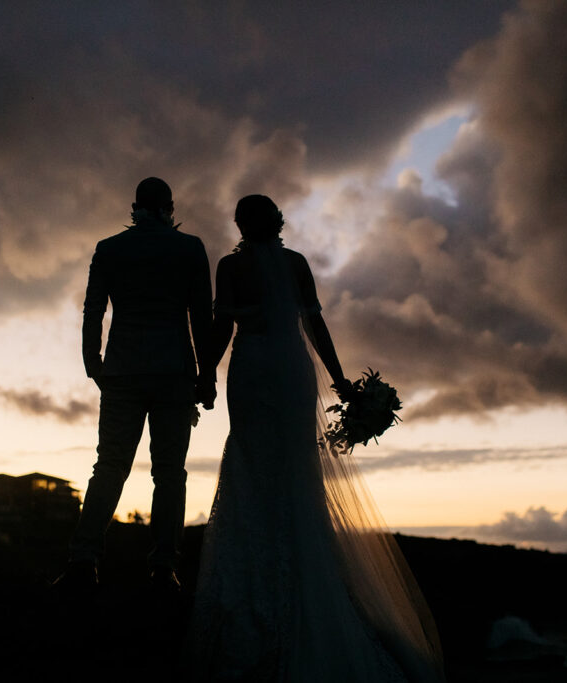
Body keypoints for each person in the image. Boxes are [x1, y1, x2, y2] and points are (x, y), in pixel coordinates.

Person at [186, 195, 443, 681]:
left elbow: (223, 326)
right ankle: (306, 581)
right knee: (298, 472)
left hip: (253, 368)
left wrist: (205, 374)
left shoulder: (230, 266)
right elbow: (314, 324)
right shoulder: (295, 263)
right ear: (278, 223)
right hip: (289, 368)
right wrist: (340, 379)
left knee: (251, 463)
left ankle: (255, 592)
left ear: (241, 225)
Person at [56, 177, 216, 592]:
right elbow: (201, 317)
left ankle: (83, 559)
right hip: (174, 373)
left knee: (108, 467)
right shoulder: (190, 248)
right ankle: (164, 567)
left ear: (134, 207)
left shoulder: (110, 249)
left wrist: (94, 362)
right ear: (170, 208)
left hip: (122, 372)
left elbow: (93, 309)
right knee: (169, 474)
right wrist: (208, 375)